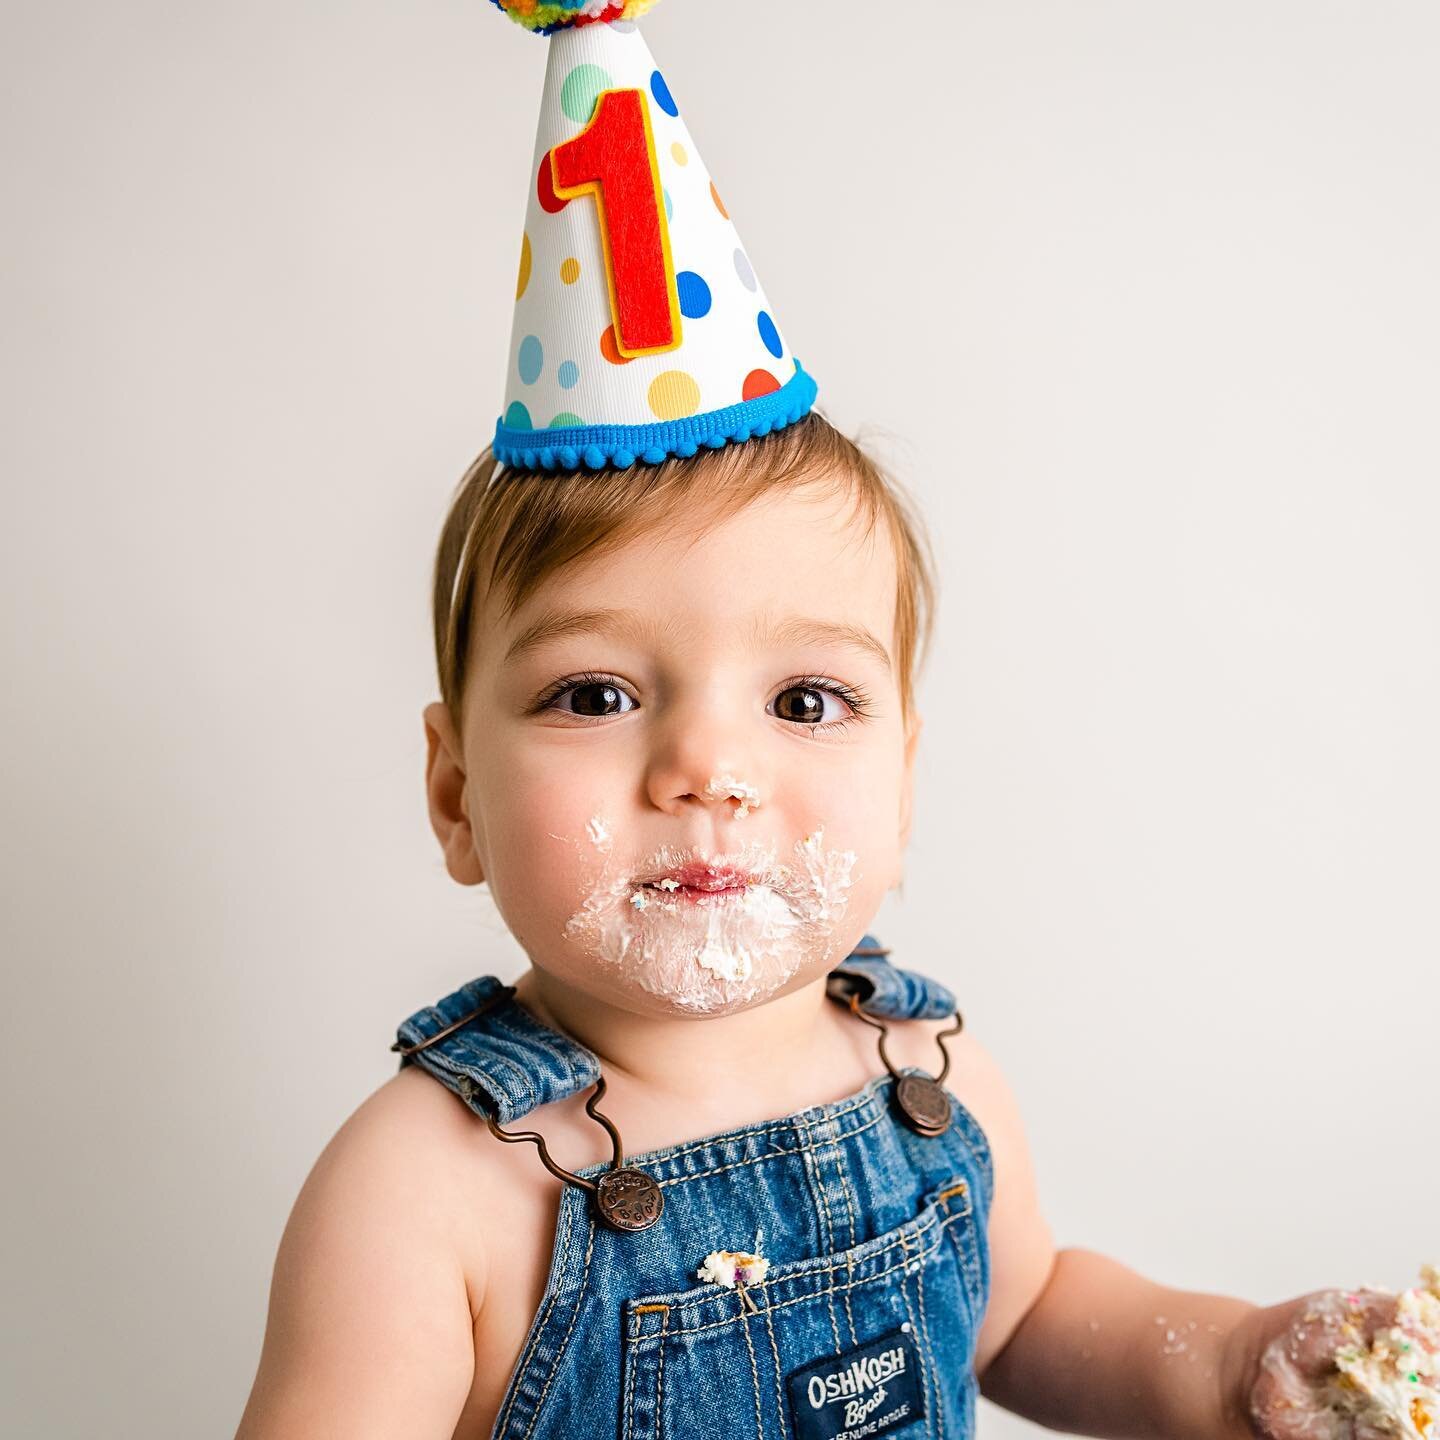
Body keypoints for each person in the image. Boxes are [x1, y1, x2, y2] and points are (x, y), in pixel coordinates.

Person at [235, 5, 1408, 1438]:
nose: (710, 769)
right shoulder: (426, 1193)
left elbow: (1032, 1317)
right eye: (596, 694)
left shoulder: (931, 1079)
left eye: (806, 699)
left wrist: (1232, 1363)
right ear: (454, 796)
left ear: (904, 787)